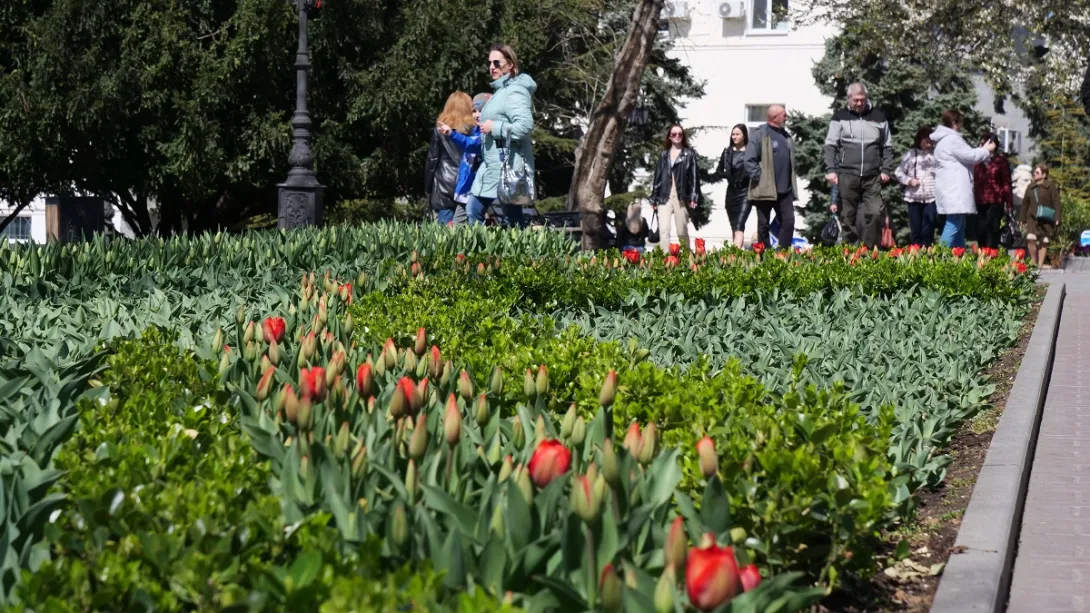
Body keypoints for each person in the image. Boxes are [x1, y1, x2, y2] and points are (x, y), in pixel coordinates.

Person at [467, 44, 536, 228]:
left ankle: (494, 255)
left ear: (511, 65)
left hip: (505, 166)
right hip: (492, 165)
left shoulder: (514, 91)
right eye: (489, 63)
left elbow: (525, 126)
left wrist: (495, 127)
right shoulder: (501, 91)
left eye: (497, 63)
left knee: (482, 212)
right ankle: (488, 255)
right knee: (479, 212)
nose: (492, 67)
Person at [824, 82, 894, 247]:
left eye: (862, 99)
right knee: (848, 216)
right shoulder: (839, 117)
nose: (859, 103)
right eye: (856, 100)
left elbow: (887, 146)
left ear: (866, 98)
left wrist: (886, 169)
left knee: (876, 213)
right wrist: (830, 170)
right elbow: (830, 145)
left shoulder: (879, 117)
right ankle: (851, 251)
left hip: (872, 176)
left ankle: (868, 250)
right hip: (847, 175)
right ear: (849, 98)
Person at [931, 110, 995, 248]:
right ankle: (939, 255)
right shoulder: (952, 140)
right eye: (960, 122)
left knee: (959, 224)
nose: (962, 124)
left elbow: (967, 156)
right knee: (954, 223)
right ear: (954, 123)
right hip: (955, 191)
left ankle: (958, 257)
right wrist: (986, 150)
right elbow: (971, 156)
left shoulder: (944, 140)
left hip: (950, 189)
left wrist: (982, 150)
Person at [744, 104, 797, 248]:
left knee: (789, 221)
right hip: (766, 190)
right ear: (774, 117)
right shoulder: (760, 135)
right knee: (763, 225)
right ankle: (764, 255)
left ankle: (783, 253)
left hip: (784, 190)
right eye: (783, 115)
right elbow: (749, 160)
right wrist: (760, 178)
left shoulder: (786, 136)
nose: (786, 117)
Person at [439, 93, 491, 225]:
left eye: (481, 111)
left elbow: (471, 144)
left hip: (478, 186)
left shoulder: (488, 135)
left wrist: (452, 133)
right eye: (474, 111)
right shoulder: (476, 130)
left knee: (473, 215)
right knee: (458, 224)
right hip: (467, 187)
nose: (477, 115)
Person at [425, 92, 474, 225]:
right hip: (467, 181)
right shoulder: (473, 129)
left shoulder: (440, 129)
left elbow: (432, 159)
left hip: (444, 183)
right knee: (465, 228)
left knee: (444, 233)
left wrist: (428, 188)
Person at [649, 124, 699, 250]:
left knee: (681, 230)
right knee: (664, 230)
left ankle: (687, 258)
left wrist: (693, 196)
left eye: (680, 134)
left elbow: (694, 177)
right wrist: (654, 197)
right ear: (669, 137)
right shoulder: (663, 155)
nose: (677, 136)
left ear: (683, 136)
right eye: (674, 134)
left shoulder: (689, 154)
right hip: (664, 195)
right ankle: (666, 262)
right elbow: (658, 177)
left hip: (681, 196)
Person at [894, 125, 939, 246]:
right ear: (919, 140)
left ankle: (927, 255)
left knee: (928, 229)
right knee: (916, 230)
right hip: (914, 197)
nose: (929, 145)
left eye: (931, 142)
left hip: (931, 198)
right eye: (926, 142)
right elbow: (898, 172)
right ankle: (916, 255)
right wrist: (909, 181)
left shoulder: (936, 155)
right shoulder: (911, 154)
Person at [712, 124, 751, 248]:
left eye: (737, 134)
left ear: (744, 135)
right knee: (735, 227)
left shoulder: (751, 152)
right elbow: (719, 172)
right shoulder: (727, 152)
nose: (734, 137)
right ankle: (737, 259)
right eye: (733, 134)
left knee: (740, 226)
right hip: (731, 193)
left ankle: (733, 255)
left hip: (745, 193)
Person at [972, 132, 1013, 249]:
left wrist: (1009, 203)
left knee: (992, 232)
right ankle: (981, 259)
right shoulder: (977, 161)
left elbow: (1006, 183)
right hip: (979, 202)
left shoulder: (1001, 161)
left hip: (995, 202)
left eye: (985, 143)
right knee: (980, 232)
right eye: (981, 143)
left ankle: (991, 259)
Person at [1021, 163, 1061, 267]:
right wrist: (1022, 218)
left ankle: (1040, 265)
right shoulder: (1030, 187)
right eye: (1034, 172)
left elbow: (1056, 203)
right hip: (1032, 217)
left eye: (1037, 172)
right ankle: (1034, 262)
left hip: (1046, 218)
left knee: (1044, 241)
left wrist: (1057, 218)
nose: (1034, 174)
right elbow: (1025, 204)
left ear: (1044, 174)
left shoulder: (1050, 187)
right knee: (1030, 238)